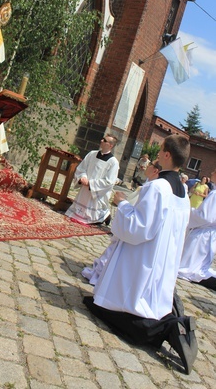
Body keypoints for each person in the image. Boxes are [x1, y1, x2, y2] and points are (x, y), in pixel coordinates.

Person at [83, 135, 198, 375]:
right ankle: (169, 323)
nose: (157, 154)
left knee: (113, 309)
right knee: (146, 303)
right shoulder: (183, 193)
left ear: (167, 155)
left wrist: (122, 204)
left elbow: (139, 228)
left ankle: (170, 328)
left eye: (161, 150)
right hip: (162, 259)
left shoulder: (157, 187)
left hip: (142, 256)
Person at [82, 159, 162, 285]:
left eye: (150, 164)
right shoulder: (149, 183)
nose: (147, 166)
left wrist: (122, 202)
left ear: (155, 170)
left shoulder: (153, 188)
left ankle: (102, 274)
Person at [65, 134, 119, 225]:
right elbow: (82, 168)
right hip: (85, 188)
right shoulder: (92, 154)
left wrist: (90, 183)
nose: (101, 141)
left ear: (111, 145)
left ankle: (105, 216)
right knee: (76, 213)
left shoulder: (113, 162)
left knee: (95, 214)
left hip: (96, 191)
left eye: (104, 140)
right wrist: (83, 177)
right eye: (102, 139)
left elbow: (109, 182)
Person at [178, 168, 216, 291]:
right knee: (198, 265)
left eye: (214, 171)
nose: (211, 173)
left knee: (190, 268)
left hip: (203, 233)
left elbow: (205, 217)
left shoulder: (214, 194)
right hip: (208, 232)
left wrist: (191, 213)